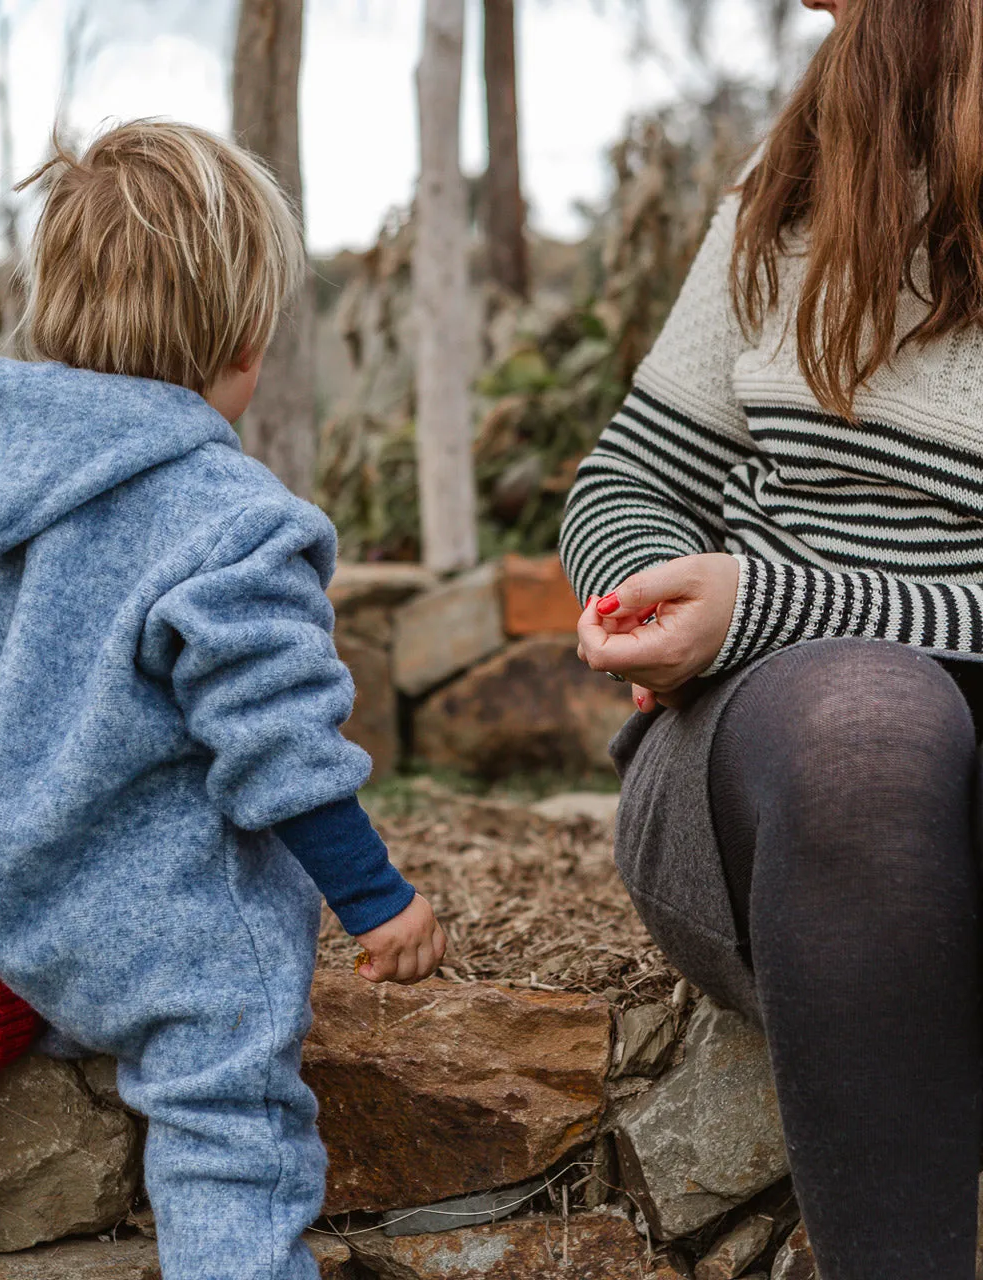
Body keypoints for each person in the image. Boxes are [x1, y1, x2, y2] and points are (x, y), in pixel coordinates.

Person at [0, 120, 446, 1280]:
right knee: (232, 1135)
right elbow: (279, 749)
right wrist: (378, 901)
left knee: (57, 969)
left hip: (13, 900)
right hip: (178, 942)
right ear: (245, 339)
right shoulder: (233, 521)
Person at [559, 0, 983, 1276]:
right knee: (866, 727)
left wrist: (774, 602)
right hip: (783, 796)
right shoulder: (798, 180)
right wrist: (644, 594)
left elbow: (779, 601)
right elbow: (626, 477)